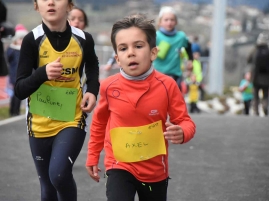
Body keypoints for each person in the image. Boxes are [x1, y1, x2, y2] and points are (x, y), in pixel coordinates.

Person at [86, 14, 196, 201]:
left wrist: (183, 132)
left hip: (154, 170)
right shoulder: (108, 86)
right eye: (123, 48)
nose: (131, 53)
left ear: (153, 52)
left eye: (138, 46)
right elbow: (99, 122)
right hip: (118, 164)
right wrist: (92, 155)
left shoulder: (167, 85)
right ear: (117, 58)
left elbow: (185, 121)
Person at [14, 0, 99, 200]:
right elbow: (19, 89)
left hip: (71, 117)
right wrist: (42, 73)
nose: (51, 2)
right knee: (47, 187)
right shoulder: (31, 40)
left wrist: (93, 91)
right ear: (36, 6)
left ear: (70, 5)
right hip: (39, 121)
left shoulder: (84, 39)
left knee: (59, 175)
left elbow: (93, 67)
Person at [153, 6, 193, 91]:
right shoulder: (156, 36)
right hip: (158, 74)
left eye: (172, 20)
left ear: (176, 22)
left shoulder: (181, 36)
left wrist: (190, 60)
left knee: (174, 100)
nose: (169, 22)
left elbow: (188, 46)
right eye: (166, 20)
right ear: (160, 22)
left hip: (175, 74)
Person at [247, 33, 269, 116]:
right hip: (267, 77)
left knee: (255, 95)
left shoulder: (254, 51)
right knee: (265, 94)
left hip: (256, 76)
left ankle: (256, 111)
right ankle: (265, 107)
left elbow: (248, 60)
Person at [6, 24, 28, 116]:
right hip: (14, 74)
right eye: (20, 39)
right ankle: (13, 111)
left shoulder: (25, 50)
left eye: (23, 39)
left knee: (18, 94)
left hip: (22, 75)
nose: (21, 41)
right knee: (15, 94)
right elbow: (7, 58)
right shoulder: (12, 49)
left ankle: (16, 111)